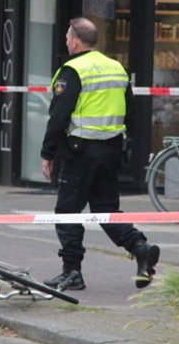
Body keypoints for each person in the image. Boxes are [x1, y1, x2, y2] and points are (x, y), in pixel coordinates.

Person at [40, 16, 160, 291]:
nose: (67, 42)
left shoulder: (72, 70)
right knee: (106, 210)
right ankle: (140, 248)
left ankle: (72, 272)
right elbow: (131, 113)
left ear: (77, 41)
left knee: (67, 211)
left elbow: (58, 117)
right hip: (110, 150)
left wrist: (48, 153)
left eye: (69, 37)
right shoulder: (116, 67)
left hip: (81, 151)